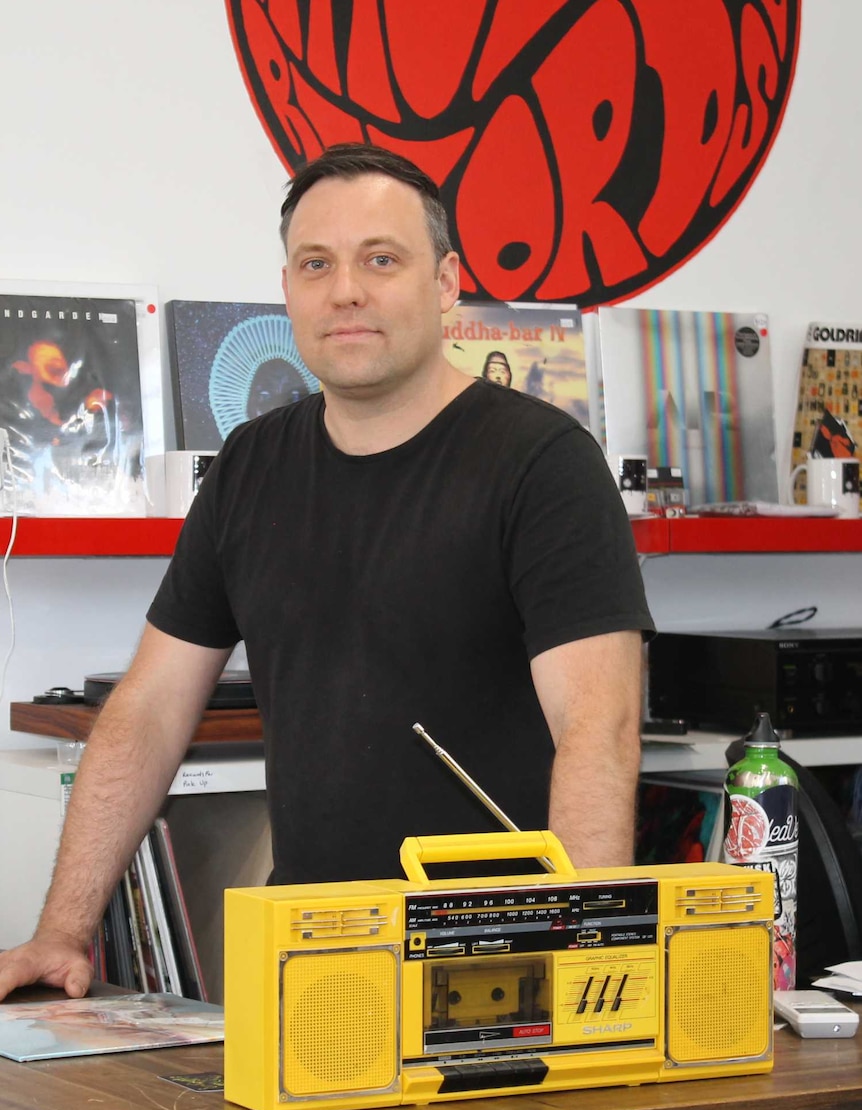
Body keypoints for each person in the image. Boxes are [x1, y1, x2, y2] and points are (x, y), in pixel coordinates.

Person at [0, 143, 653, 1003]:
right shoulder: (248, 466)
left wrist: (580, 974)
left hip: (496, 968)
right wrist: (61, 931)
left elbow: (598, 733)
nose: (346, 289)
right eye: (317, 264)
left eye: (381, 259)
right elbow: (147, 713)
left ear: (448, 283)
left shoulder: (543, 465)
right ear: (288, 292)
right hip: (313, 963)